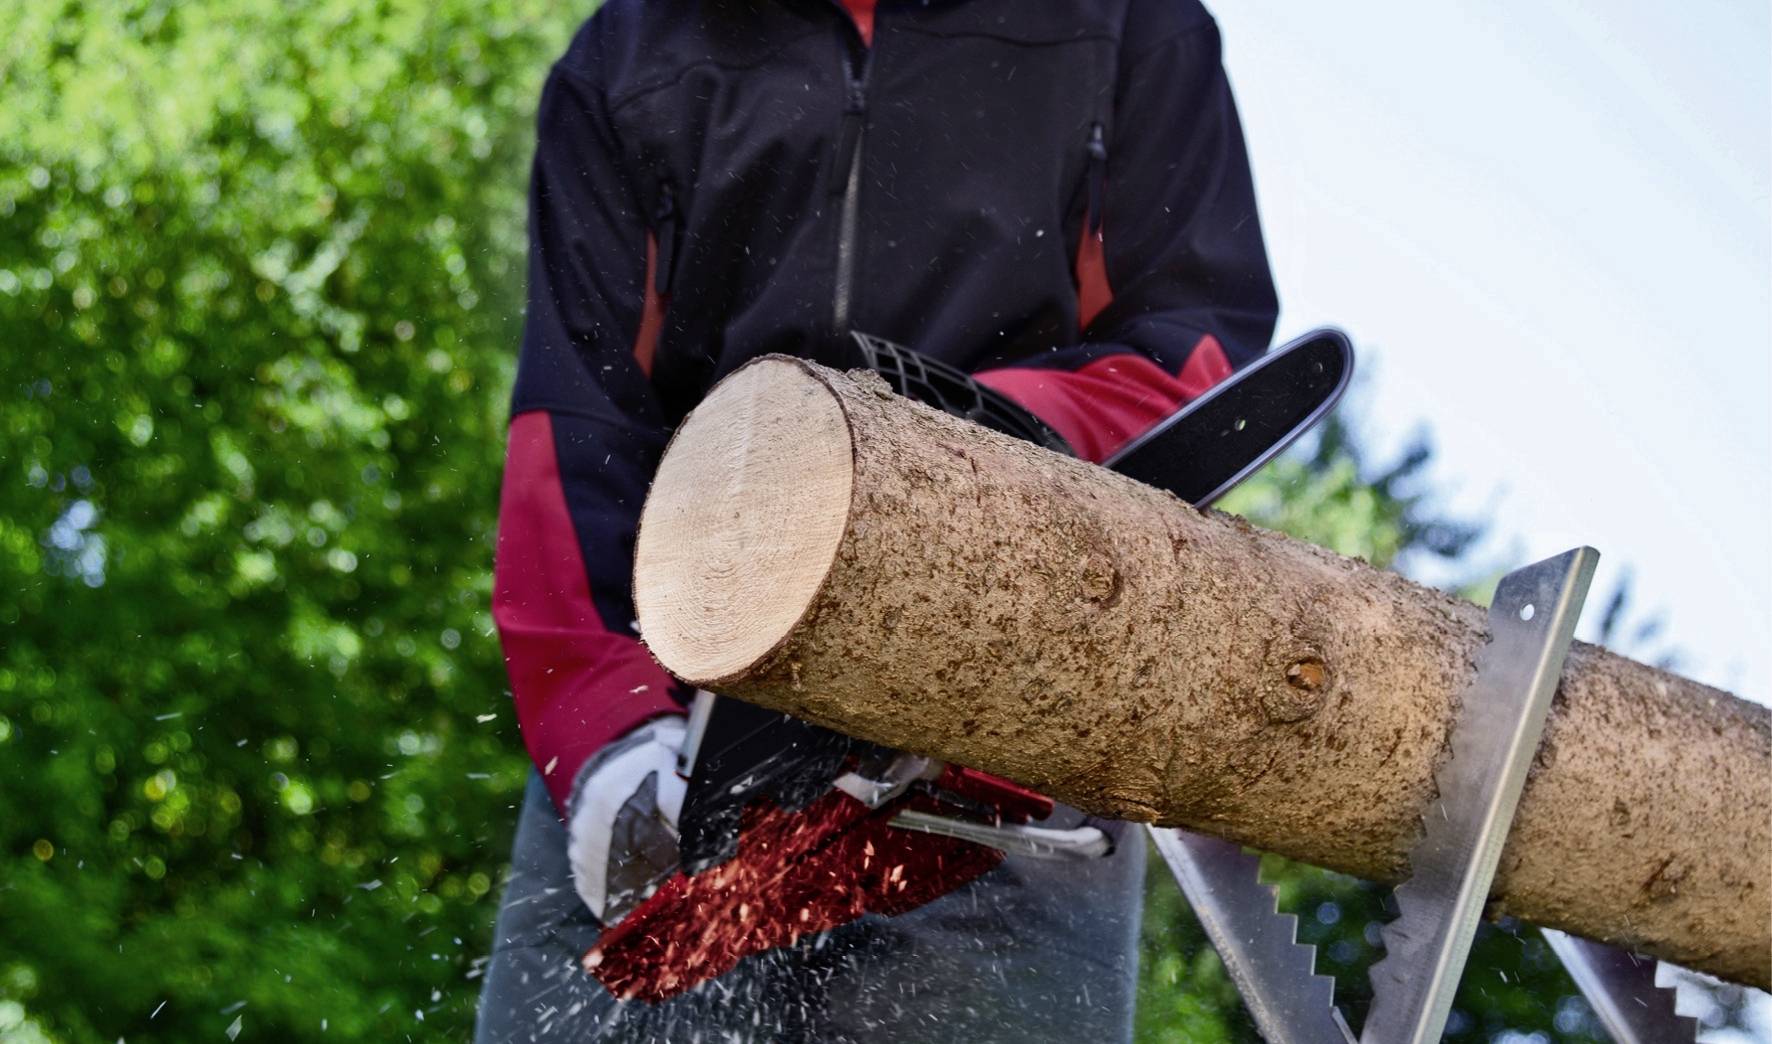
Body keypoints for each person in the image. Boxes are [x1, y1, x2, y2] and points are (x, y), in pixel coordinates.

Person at [476, 0, 1278, 1040]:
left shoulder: (1129, 26)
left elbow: (1191, 360)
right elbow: (573, 425)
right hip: (681, 725)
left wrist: (932, 459)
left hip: (1005, 754)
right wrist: (605, 738)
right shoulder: (631, 53)